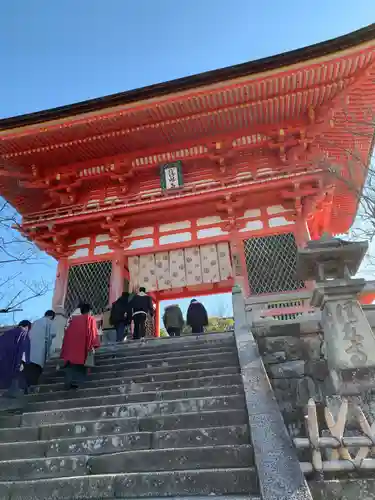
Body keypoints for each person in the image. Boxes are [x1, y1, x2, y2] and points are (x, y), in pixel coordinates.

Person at [60, 303, 100, 389]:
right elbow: (92, 332)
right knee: (82, 366)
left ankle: (69, 382)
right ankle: (77, 383)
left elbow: (67, 334)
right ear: (89, 311)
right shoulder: (90, 319)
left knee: (71, 366)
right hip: (83, 347)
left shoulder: (73, 320)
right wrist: (93, 344)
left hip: (71, 348)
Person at [24, 310, 57, 389]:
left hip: (29, 350)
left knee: (28, 369)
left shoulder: (35, 322)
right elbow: (53, 334)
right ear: (52, 316)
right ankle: (32, 387)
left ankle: (25, 387)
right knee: (36, 370)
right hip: (40, 350)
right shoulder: (50, 322)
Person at [0, 320, 32, 398]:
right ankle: (23, 390)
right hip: (14, 358)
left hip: (4, 357)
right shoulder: (23, 333)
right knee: (18, 373)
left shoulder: (7, 333)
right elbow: (23, 348)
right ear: (26, 327)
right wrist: (22, 361)